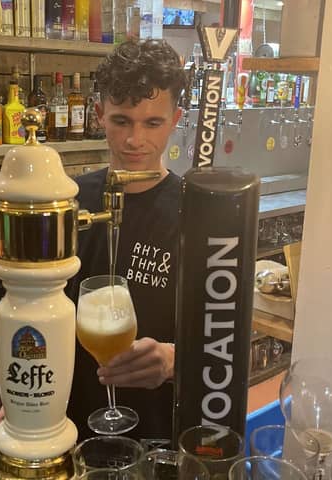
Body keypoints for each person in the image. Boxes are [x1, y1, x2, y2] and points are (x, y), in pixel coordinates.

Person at [65, 39, 188, 441]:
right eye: (121, 121)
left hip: (154, 431)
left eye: (152, 123)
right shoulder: (69, 200)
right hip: (71, 425)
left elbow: (219, 340)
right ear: (99, 115)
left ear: (175, 119)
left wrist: (173, 359)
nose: (135, 140)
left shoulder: (197, 214)